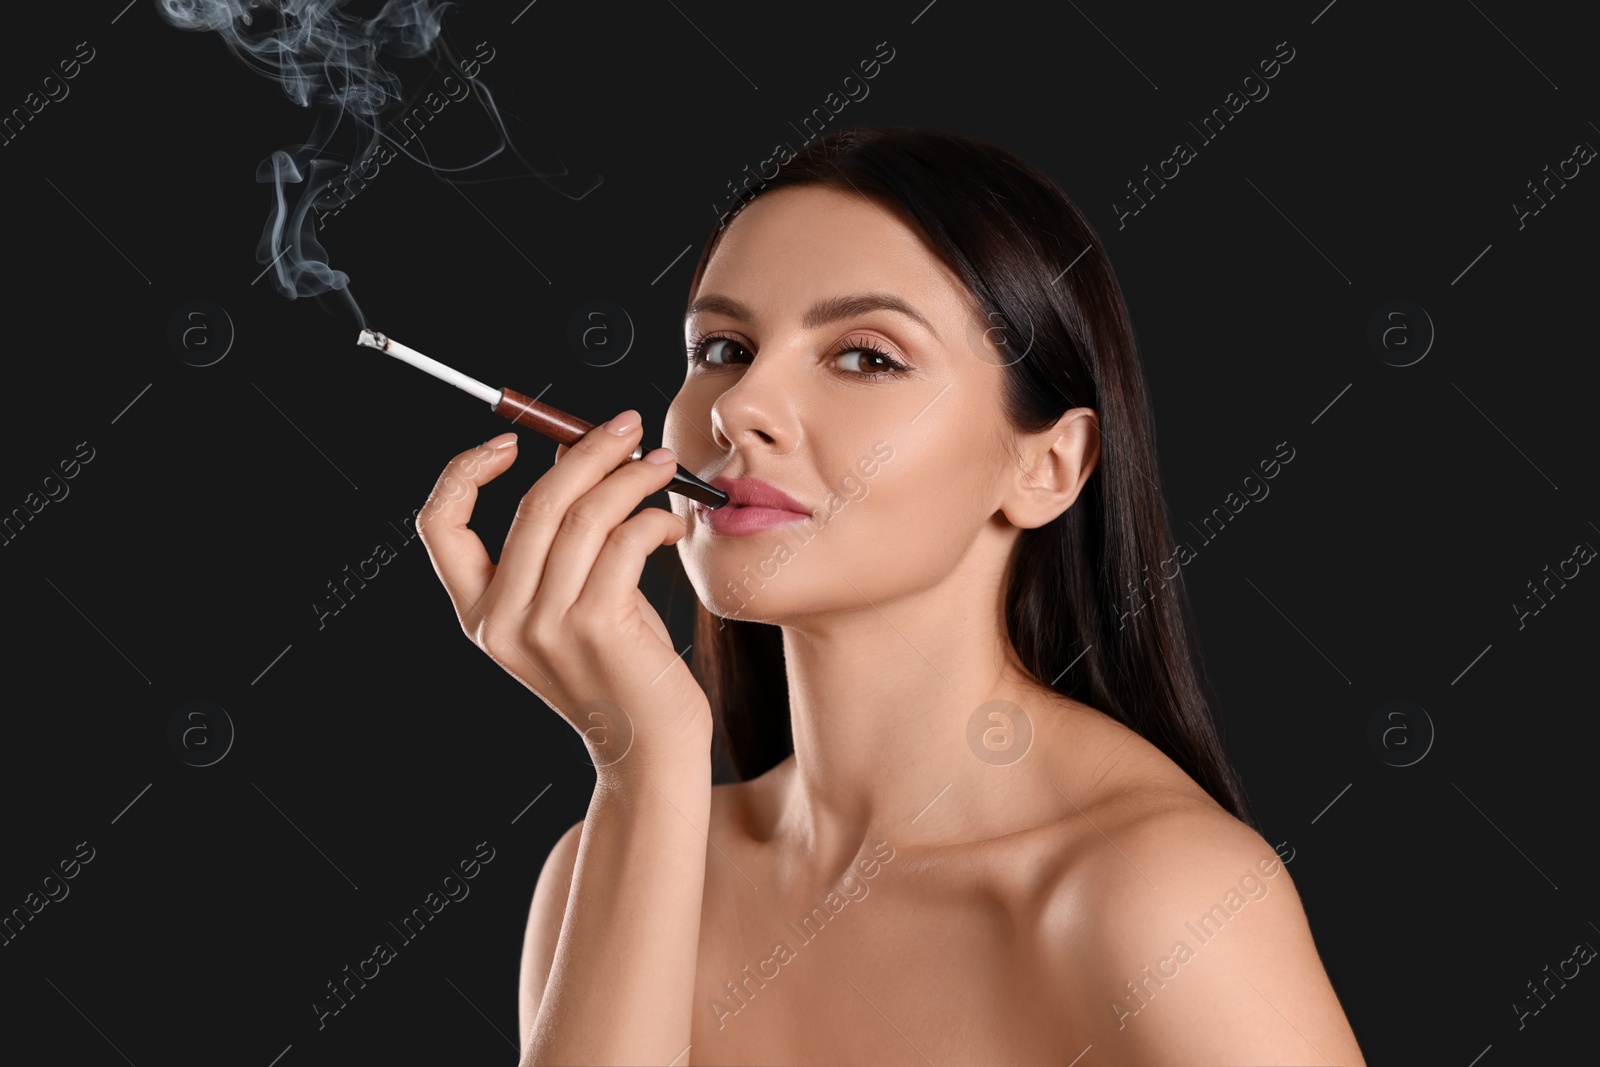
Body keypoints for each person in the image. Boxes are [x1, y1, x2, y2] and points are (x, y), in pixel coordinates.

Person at [417, 125, 1366, 1065]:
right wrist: (641, 761)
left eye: (866, 356)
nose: (735, 408)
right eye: (723, 346)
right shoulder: (615, 857)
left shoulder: (1161, 898)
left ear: (1048, 465)